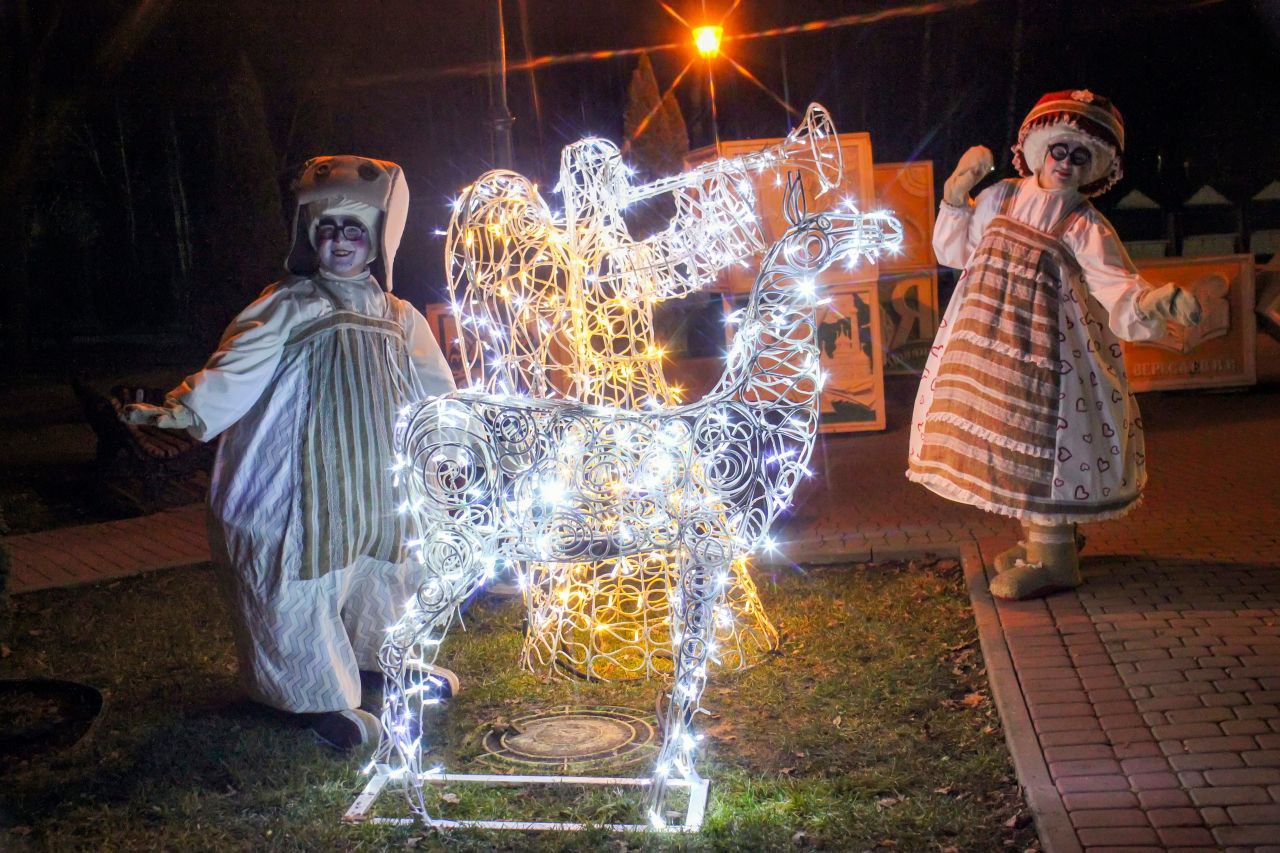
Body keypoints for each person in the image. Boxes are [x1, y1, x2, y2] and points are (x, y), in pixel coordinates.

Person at [125, 156, 456, 748]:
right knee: (297, 581)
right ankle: (315, 697)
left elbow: (438, 389)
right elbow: (237, 370)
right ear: (309, 236)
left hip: (381, 487)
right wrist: (182, 411)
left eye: (355, 230)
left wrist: (456, 442)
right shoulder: (284, 304)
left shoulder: (400, 317)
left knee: (390, 572)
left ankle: (386, 660)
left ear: (379, 240)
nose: (340, 241)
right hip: (303, 488)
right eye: (327, 229)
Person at [908, 90, 1202, 601]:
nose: (1066, 164)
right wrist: (956, 196)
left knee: (1047, 439)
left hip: (1049, 353)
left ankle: (1056, 557)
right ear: (1041, 151)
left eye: (1080, 157)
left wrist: (1157, 302)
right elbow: (954, 251)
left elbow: (1118, 287)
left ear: (1095, 168)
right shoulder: (999, 195)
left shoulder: (1085, 223)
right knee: (1004, 436)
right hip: (985, 342)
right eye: (1060, 151)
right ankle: (1039, 544)